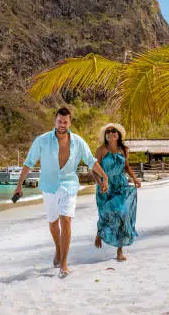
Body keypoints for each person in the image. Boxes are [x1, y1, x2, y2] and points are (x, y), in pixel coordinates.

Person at [14, 107, 109, 278]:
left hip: (69, 185)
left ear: (70, 122)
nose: (62, 124)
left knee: (65, 220)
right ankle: (58, 249)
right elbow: (29, 162)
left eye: (65, 122)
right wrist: (19, 185)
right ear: (55, 121)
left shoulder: (78, 142)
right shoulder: (42, 141)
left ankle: (64, 264)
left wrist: (104, 176)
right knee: (53, 222)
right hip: (49, 186)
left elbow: (90, 161)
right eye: (59, 121)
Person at [92, 123, 141, 261]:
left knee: (122, 215)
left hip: (120, 185)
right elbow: (93, 170)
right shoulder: (100, 150)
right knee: (106, 212)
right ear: (105, 135)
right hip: (105, 186)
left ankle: (119, 251)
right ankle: (100, 231)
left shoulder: (124, 150)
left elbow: (126, 167)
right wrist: (101, 183)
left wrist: (135, 179)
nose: (111, 135)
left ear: (119, 135)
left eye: (114, 133)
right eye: (108, 132)